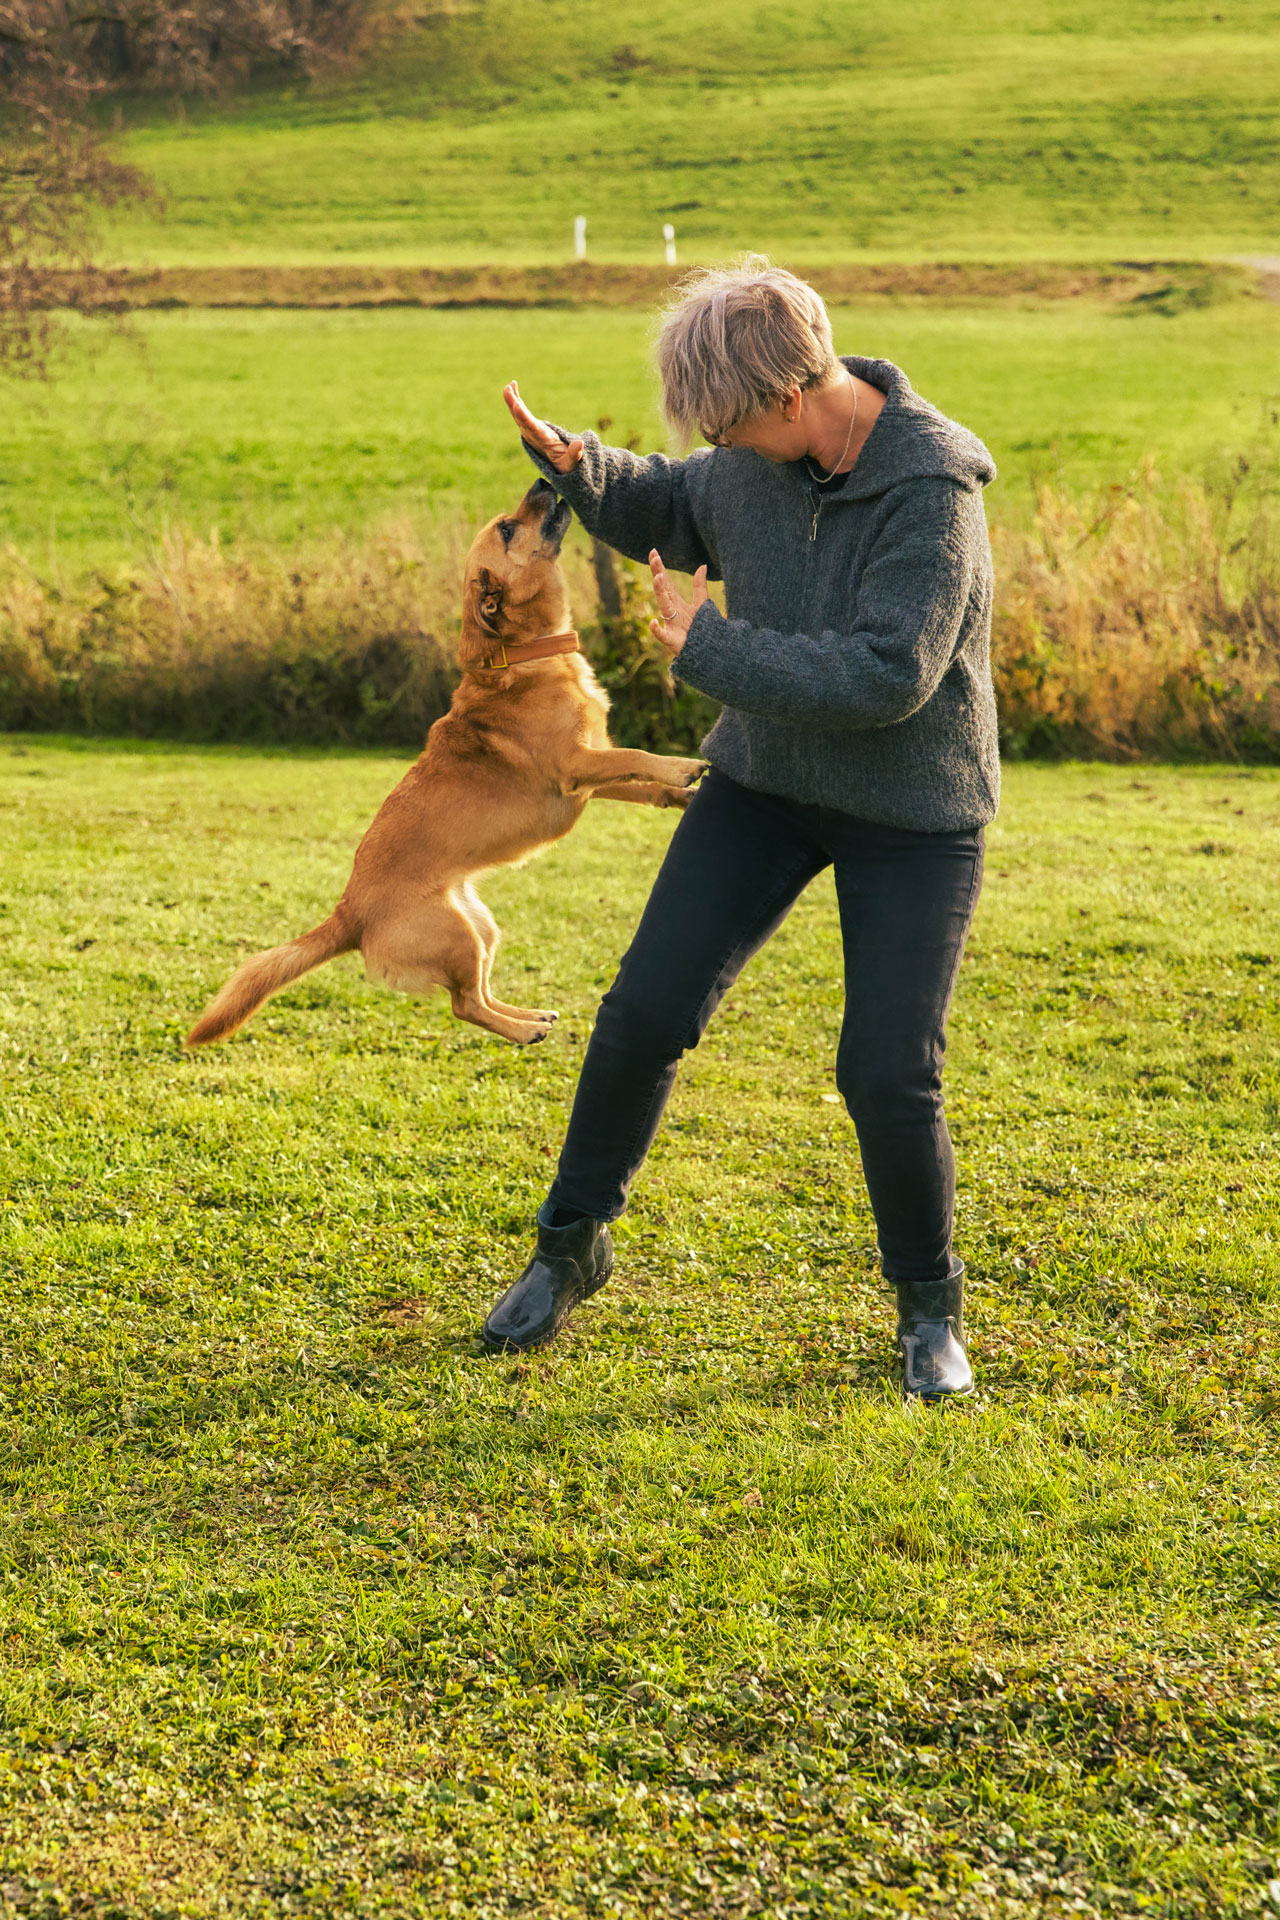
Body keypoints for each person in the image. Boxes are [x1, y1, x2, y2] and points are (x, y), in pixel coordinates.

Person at [480, 255, 999, 1403]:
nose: (713, 444)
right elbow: (678, 499)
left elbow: (888, 677)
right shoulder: (748, 462)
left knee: (884, 1070)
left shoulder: (929, 492)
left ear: (788, 400)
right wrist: (583, 466)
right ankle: (568, 1247)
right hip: (763, 783)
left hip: (912, 812)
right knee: (643, 1011)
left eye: (724, 423)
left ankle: (928, 1311)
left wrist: (707, 648)